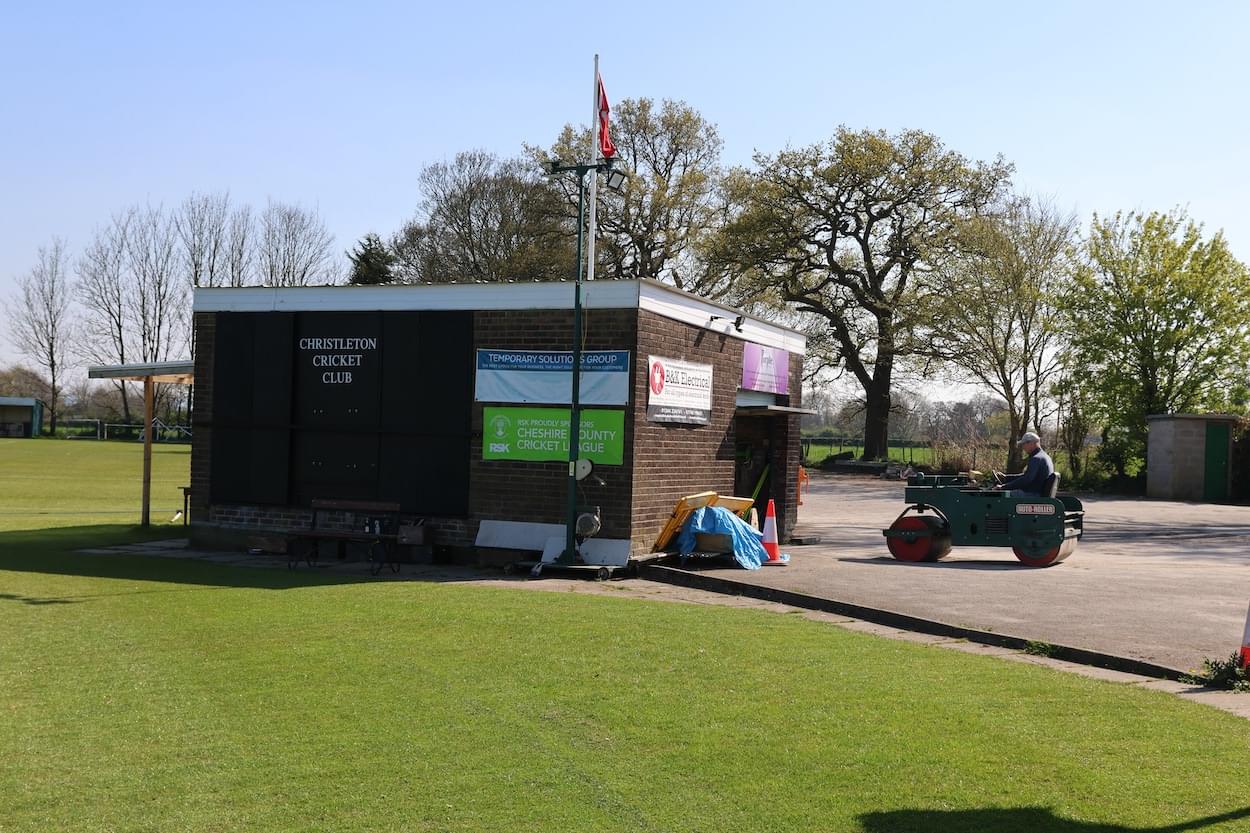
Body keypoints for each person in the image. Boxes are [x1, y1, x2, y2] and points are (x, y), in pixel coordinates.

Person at [993, 432, 1054, 497]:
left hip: (1034, 494)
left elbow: (1026, 479)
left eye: (1024, 444)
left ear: (1031, 443)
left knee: (999, 496)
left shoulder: (1036, 459)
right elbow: (1027, 476)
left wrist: (1003, 487)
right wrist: (1007, 478)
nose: (1023, 447)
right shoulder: (1044, 456)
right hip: (1038, 492)